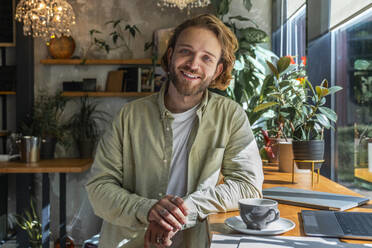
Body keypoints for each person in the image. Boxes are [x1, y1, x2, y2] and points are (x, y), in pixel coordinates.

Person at [85, 14, 263, 248]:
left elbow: (248, 186)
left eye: (206, 58)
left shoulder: (230, 116)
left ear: (218, 70)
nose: (193, 64)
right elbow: (99, 188)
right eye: (185, 51)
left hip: (196, 242)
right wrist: (148, 210)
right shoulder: (129, 116)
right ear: (170, 55)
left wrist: (183, 211)